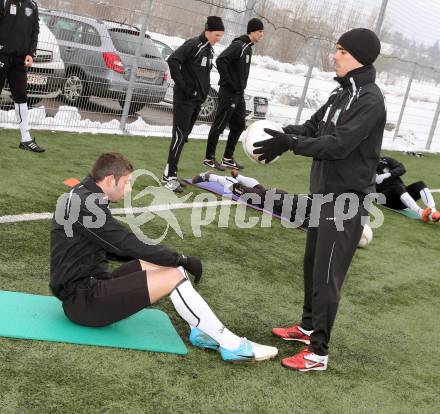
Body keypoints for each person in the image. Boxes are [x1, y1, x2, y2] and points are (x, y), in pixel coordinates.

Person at [50, 152, 277, 362]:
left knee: (167, 267)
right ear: (110, 179)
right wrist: (180, 257)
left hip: (89, 287)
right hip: (83, 302)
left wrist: (174, 260)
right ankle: (231, 344)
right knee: (172, 273)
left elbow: (113, 248)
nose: (129, 189)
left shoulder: (84, 194)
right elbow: (126, 242)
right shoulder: (86, 205)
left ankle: (201, 331)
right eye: (127, 182)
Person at [253, 28, 386, 371]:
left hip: (347, 202)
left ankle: (318, 353)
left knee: (327, 277)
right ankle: (307, 327)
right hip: (323, 198)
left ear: (356, 55)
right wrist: (282, 135)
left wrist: (291, 145)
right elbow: (313, 128)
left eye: (340, 50)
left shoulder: (369, 100)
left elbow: (339, 145)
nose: (334, 55)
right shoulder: (341, 94)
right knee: (313, 265)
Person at [162, 16, 224, 193]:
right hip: (185, 99)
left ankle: (168, 173)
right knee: (179, 136)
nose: (219, 39)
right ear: (208, 30)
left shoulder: (209, 50)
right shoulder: (194, 44)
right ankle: (170, 178)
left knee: (183, 137)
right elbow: (173, 60)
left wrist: (202, 94)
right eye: (217, 35)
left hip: (197, 101)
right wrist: (184, 87)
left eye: (221, 36)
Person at [203, 18, 265, 171]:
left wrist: (239, 87)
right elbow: (221, 60)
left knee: (238, 125)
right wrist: (231, 83)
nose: (262, 35)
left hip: (238, 93)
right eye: (260, 31)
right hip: (229, 92)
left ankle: (228, 158)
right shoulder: (239, 45)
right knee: (219, 124)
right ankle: (209, 158)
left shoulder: (248, 47)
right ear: (252, 31)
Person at [192, 169, 311, 226]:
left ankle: (239, 176)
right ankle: (210, 176)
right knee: (236, 188)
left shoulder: (315, 201)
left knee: (260, 189)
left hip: (280, 195)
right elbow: (301, 222)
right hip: (270, 200)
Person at [0, 0, 44, 152]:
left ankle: (25, 139)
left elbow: (35, 31)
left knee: (21, 97)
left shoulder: (31, 5)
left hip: (20, 61)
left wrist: (31, 53)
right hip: (2, 56)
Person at [376, 155, 440, 222]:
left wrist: (387, 175)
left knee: (420, 184)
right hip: (383, 199)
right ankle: (421, 213)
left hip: (402, 195)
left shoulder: (385, 160)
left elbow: (402, 168)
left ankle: (433, 211)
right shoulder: (367, 168)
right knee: (398, 188)